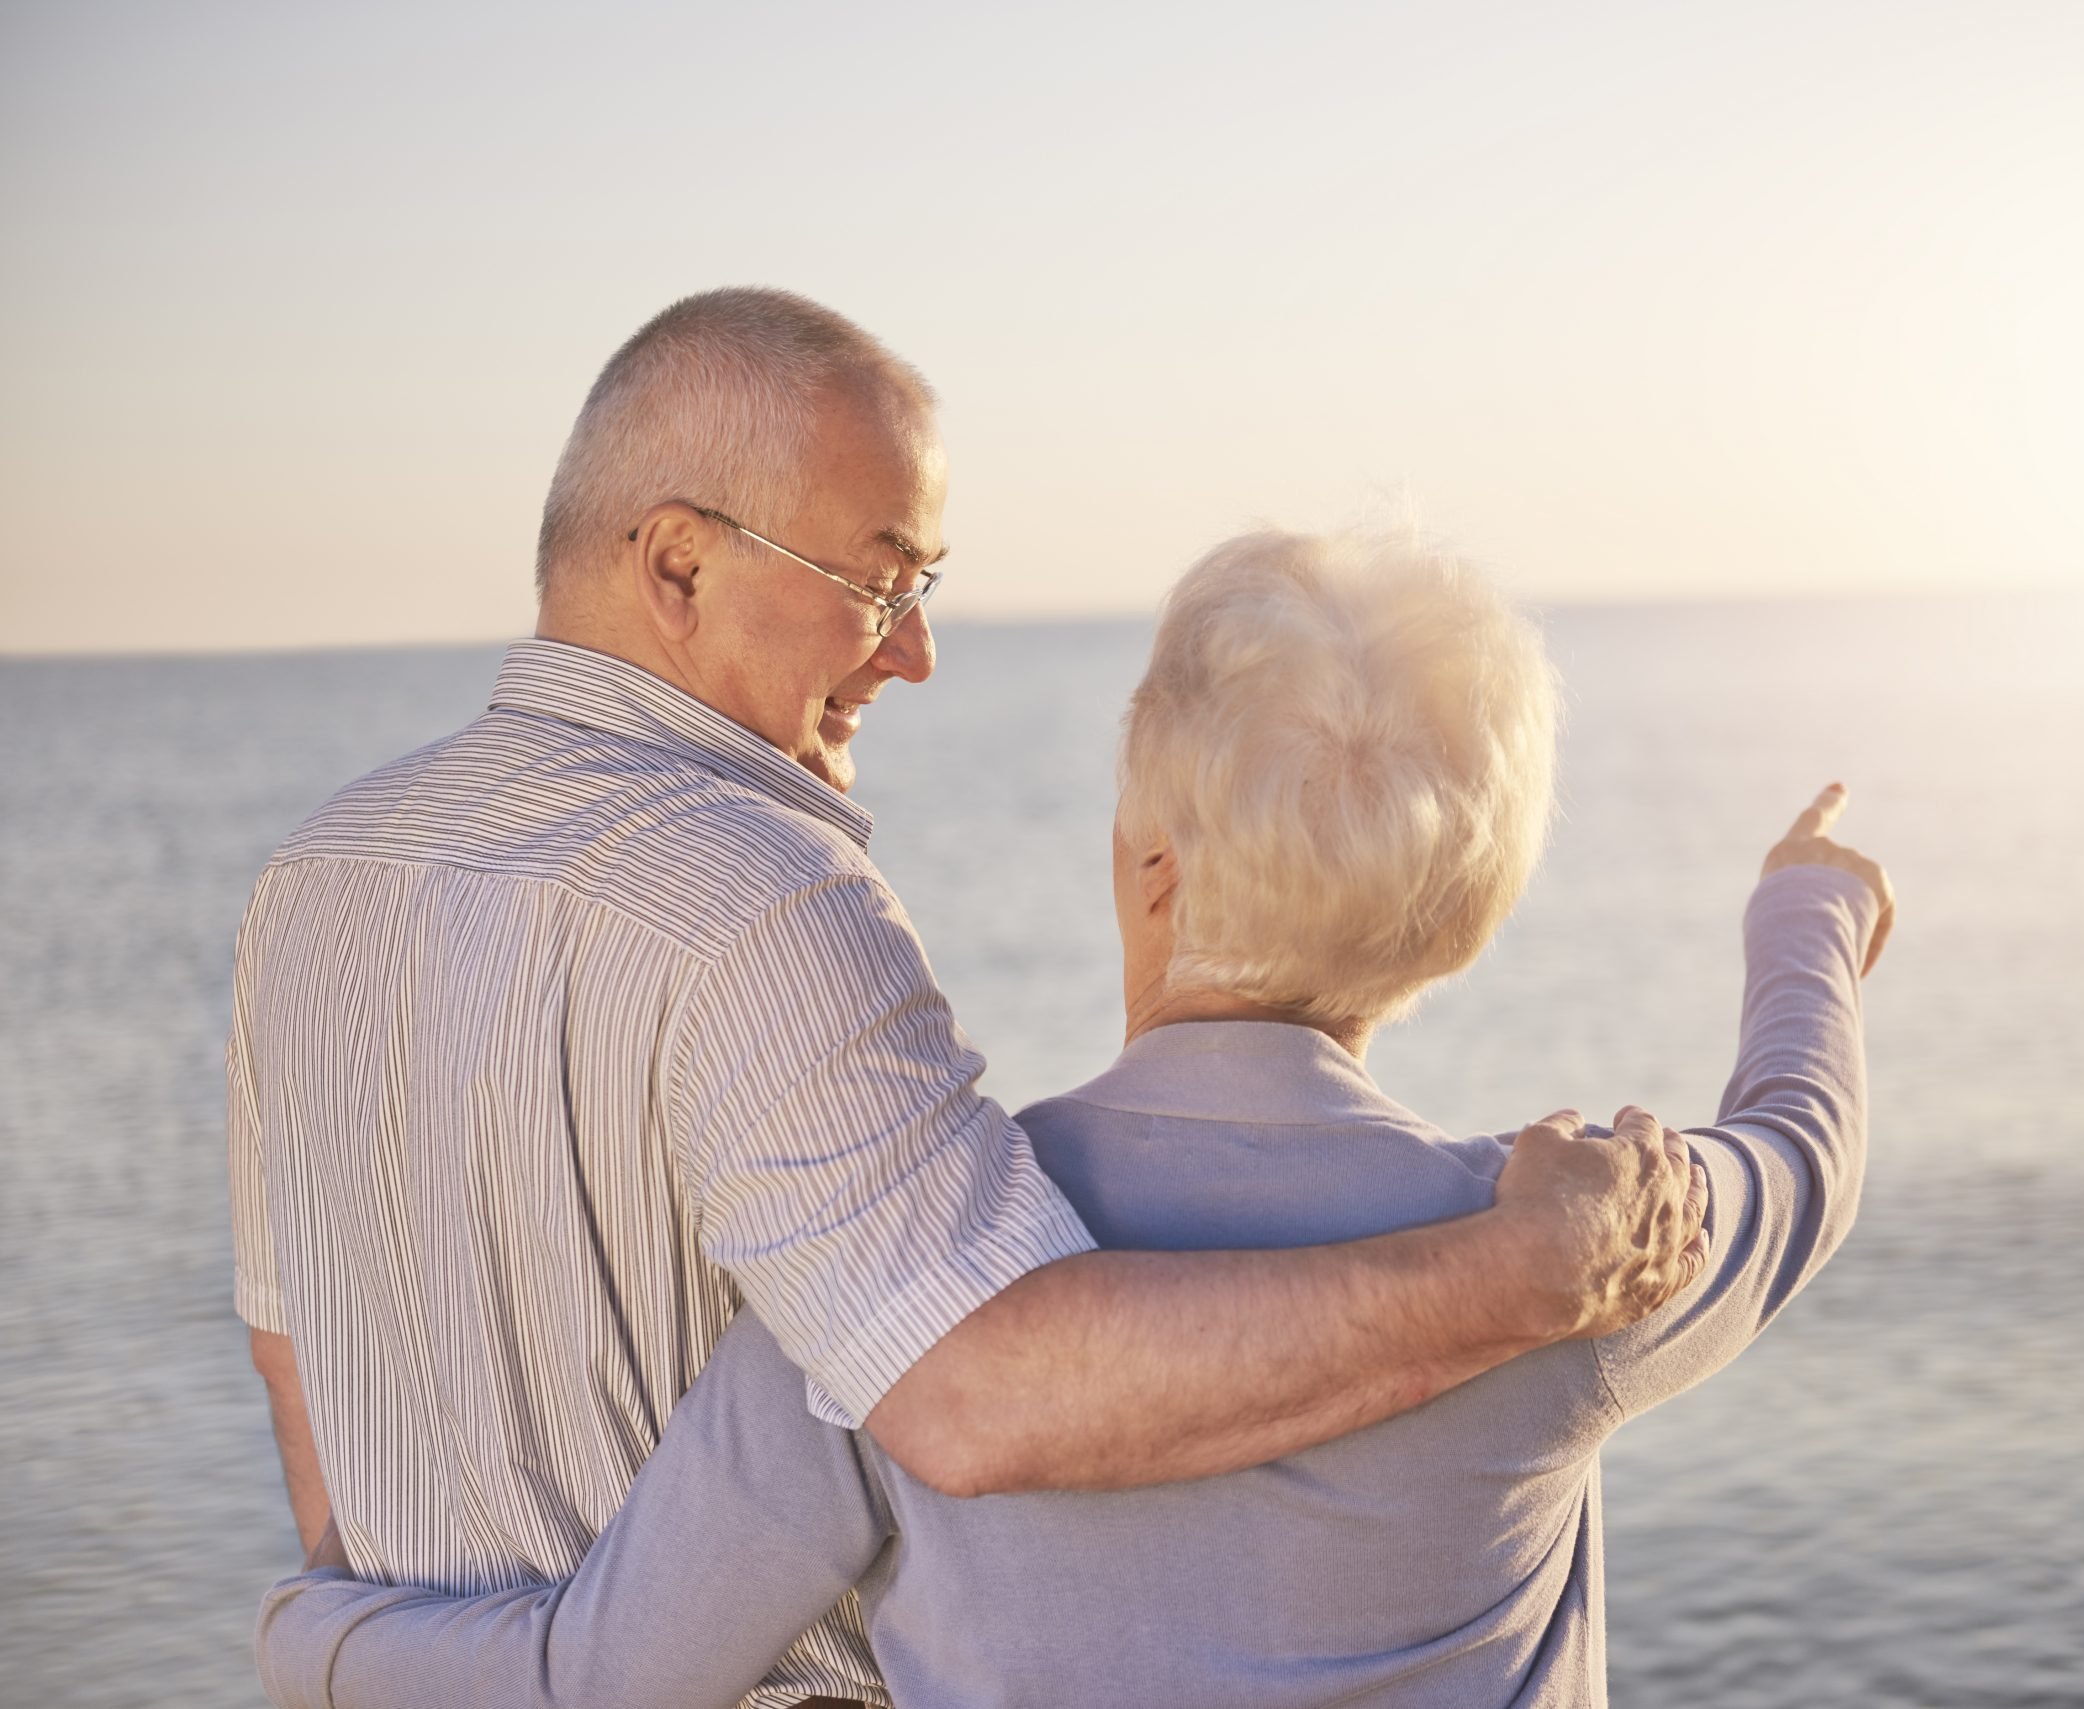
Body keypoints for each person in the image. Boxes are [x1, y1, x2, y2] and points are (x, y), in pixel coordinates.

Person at [228, 289, 1709, 1707]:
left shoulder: (316, 877)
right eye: (878, 580)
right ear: (678, 563)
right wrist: (1519, 1278)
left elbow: (305, 1387)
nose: (915, 651)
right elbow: (977, 1396)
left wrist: (346, 1654)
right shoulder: (763, 892)